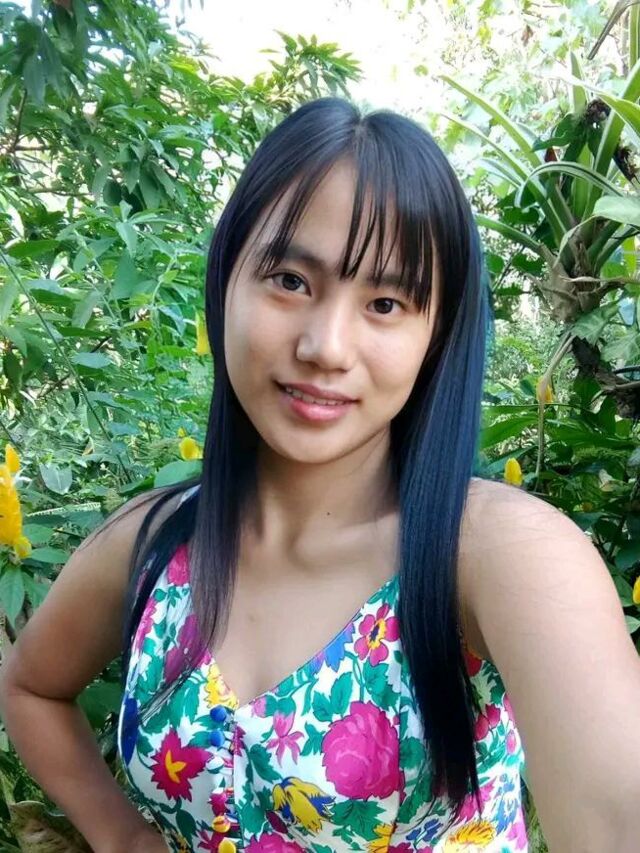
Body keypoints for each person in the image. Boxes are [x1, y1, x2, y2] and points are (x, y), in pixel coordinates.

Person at [0, 97, 638, 853]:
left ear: (436, 336)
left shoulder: (496, 555)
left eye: (386, 302)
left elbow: (616, 810)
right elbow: (30, 685)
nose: (326, 346)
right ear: (225, 282)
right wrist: (119, 833)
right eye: (290, 280)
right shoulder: (151, 546)